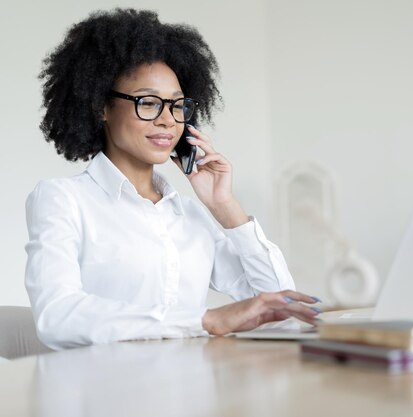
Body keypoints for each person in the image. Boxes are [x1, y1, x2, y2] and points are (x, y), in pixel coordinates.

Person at [25, 8, 320, 351]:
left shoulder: (188, 215)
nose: (168, 120)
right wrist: (203, 321)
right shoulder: (63, 199)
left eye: (177, 106)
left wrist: (224, 206)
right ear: (100, 107)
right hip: (103, 396)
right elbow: (57, 317)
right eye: (149, 103)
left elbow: (278, 306)